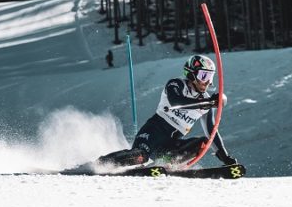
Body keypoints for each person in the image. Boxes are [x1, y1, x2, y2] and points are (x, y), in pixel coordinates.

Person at [99, 54, 237, 168]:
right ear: (191, 74)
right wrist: (207, 103)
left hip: (169, 145)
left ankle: (165, 163)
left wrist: (225, 158)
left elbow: (212, 132)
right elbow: (176, 102)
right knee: (139, 156)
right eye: (204, 76)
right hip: (152, 133)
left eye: (210, 77)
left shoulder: (206, 102)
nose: (207, 82)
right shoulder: (176, 84)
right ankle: (100, 163)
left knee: (203, 142)